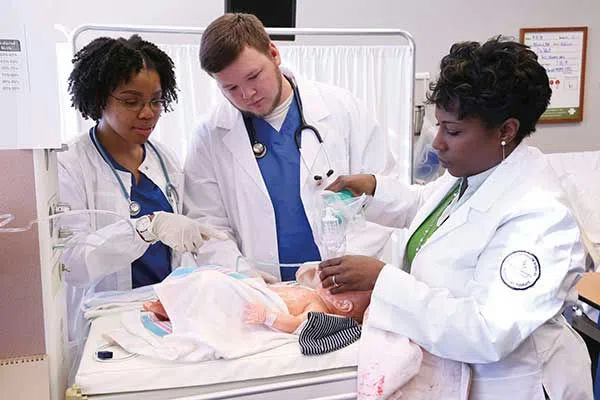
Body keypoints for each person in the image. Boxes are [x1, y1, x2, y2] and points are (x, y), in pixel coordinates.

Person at [318, 37, 593, 399]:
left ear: (506, 131)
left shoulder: (539, 217)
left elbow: (487, 331)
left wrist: (382, 280)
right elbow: (433, 214)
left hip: (514, 384)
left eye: (454, 131)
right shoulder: (473, 174)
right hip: (452, 372)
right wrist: (372, 189)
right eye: (439, 127)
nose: (437, 144)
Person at [154, 13, 396, 281]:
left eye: (253, 77)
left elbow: (380, 195)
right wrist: (243, 277)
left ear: (273, 53)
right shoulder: (209, 136)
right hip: (262, 294)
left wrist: (344, 267)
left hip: (344, 283)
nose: (247, 95)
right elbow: (208, 225)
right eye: (231, 88)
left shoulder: (342, 109)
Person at [58, 35, 224, 317]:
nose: (148, 114)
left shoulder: (164, 160)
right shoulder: (71, 164)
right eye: (131, 101)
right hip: (105, 316)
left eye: (156, 101)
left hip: (167, 310)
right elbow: (72, 263)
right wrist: (146, 228)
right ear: (99, 98)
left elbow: (185, 242)